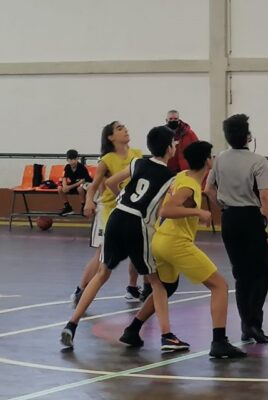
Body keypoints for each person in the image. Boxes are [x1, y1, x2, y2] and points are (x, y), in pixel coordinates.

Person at [119, 141, 246, 359]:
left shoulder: (181, 176)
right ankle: (219, 342)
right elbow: (167, 210)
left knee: (166, 287)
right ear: (207, 160)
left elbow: (165, 206)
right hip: (175, 243)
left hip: (160, 240)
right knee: (220, 286)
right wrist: (199, 213)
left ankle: (132, 330)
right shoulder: (190, 185)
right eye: (212, 156)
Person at [60, 127, 176, 349]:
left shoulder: (138, 162)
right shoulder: (170, 177)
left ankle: (71, 324)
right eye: (174, 143)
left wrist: (123, 198)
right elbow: (163, 209)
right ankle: (167, 335)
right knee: (156, 282)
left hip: (117, 215)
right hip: (137, 223)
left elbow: (111, 183)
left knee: (102, 273)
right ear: (169, 148)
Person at [206, 114, 268, 345]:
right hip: (250, 217)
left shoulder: (219, 159)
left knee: (240, 274)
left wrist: (223, 207)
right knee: (260, 274)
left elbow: (208, 189)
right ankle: (253, 323)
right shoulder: (258, 161)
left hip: (230, 219)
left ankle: (246, 324)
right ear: (248, 136)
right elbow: (266, 195)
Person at [70, 122, 144, 308]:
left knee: (137, 247)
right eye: (119, 128)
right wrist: (88, 201)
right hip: (109, 211)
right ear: (110, 137)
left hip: (132, 209)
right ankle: (81, 289)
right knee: (102, 254)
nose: (125, 130)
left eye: (125, 127)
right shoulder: (107, 159)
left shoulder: (137, 154)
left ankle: (132, 287)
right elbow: (93, 186)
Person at [58, 149, 92, 216]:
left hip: (84, 185)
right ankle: (67, 207)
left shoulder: (81, 167)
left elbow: (82, 181)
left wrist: (69, 187)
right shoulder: (67, 167)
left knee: (80, 188)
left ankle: (83, 205)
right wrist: (64, 186)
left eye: (74, 159)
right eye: (70, 160)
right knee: (59, 188)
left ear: (77, 159)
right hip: (74, 184)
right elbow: (64, 177)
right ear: (67, 160)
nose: (72, 161)